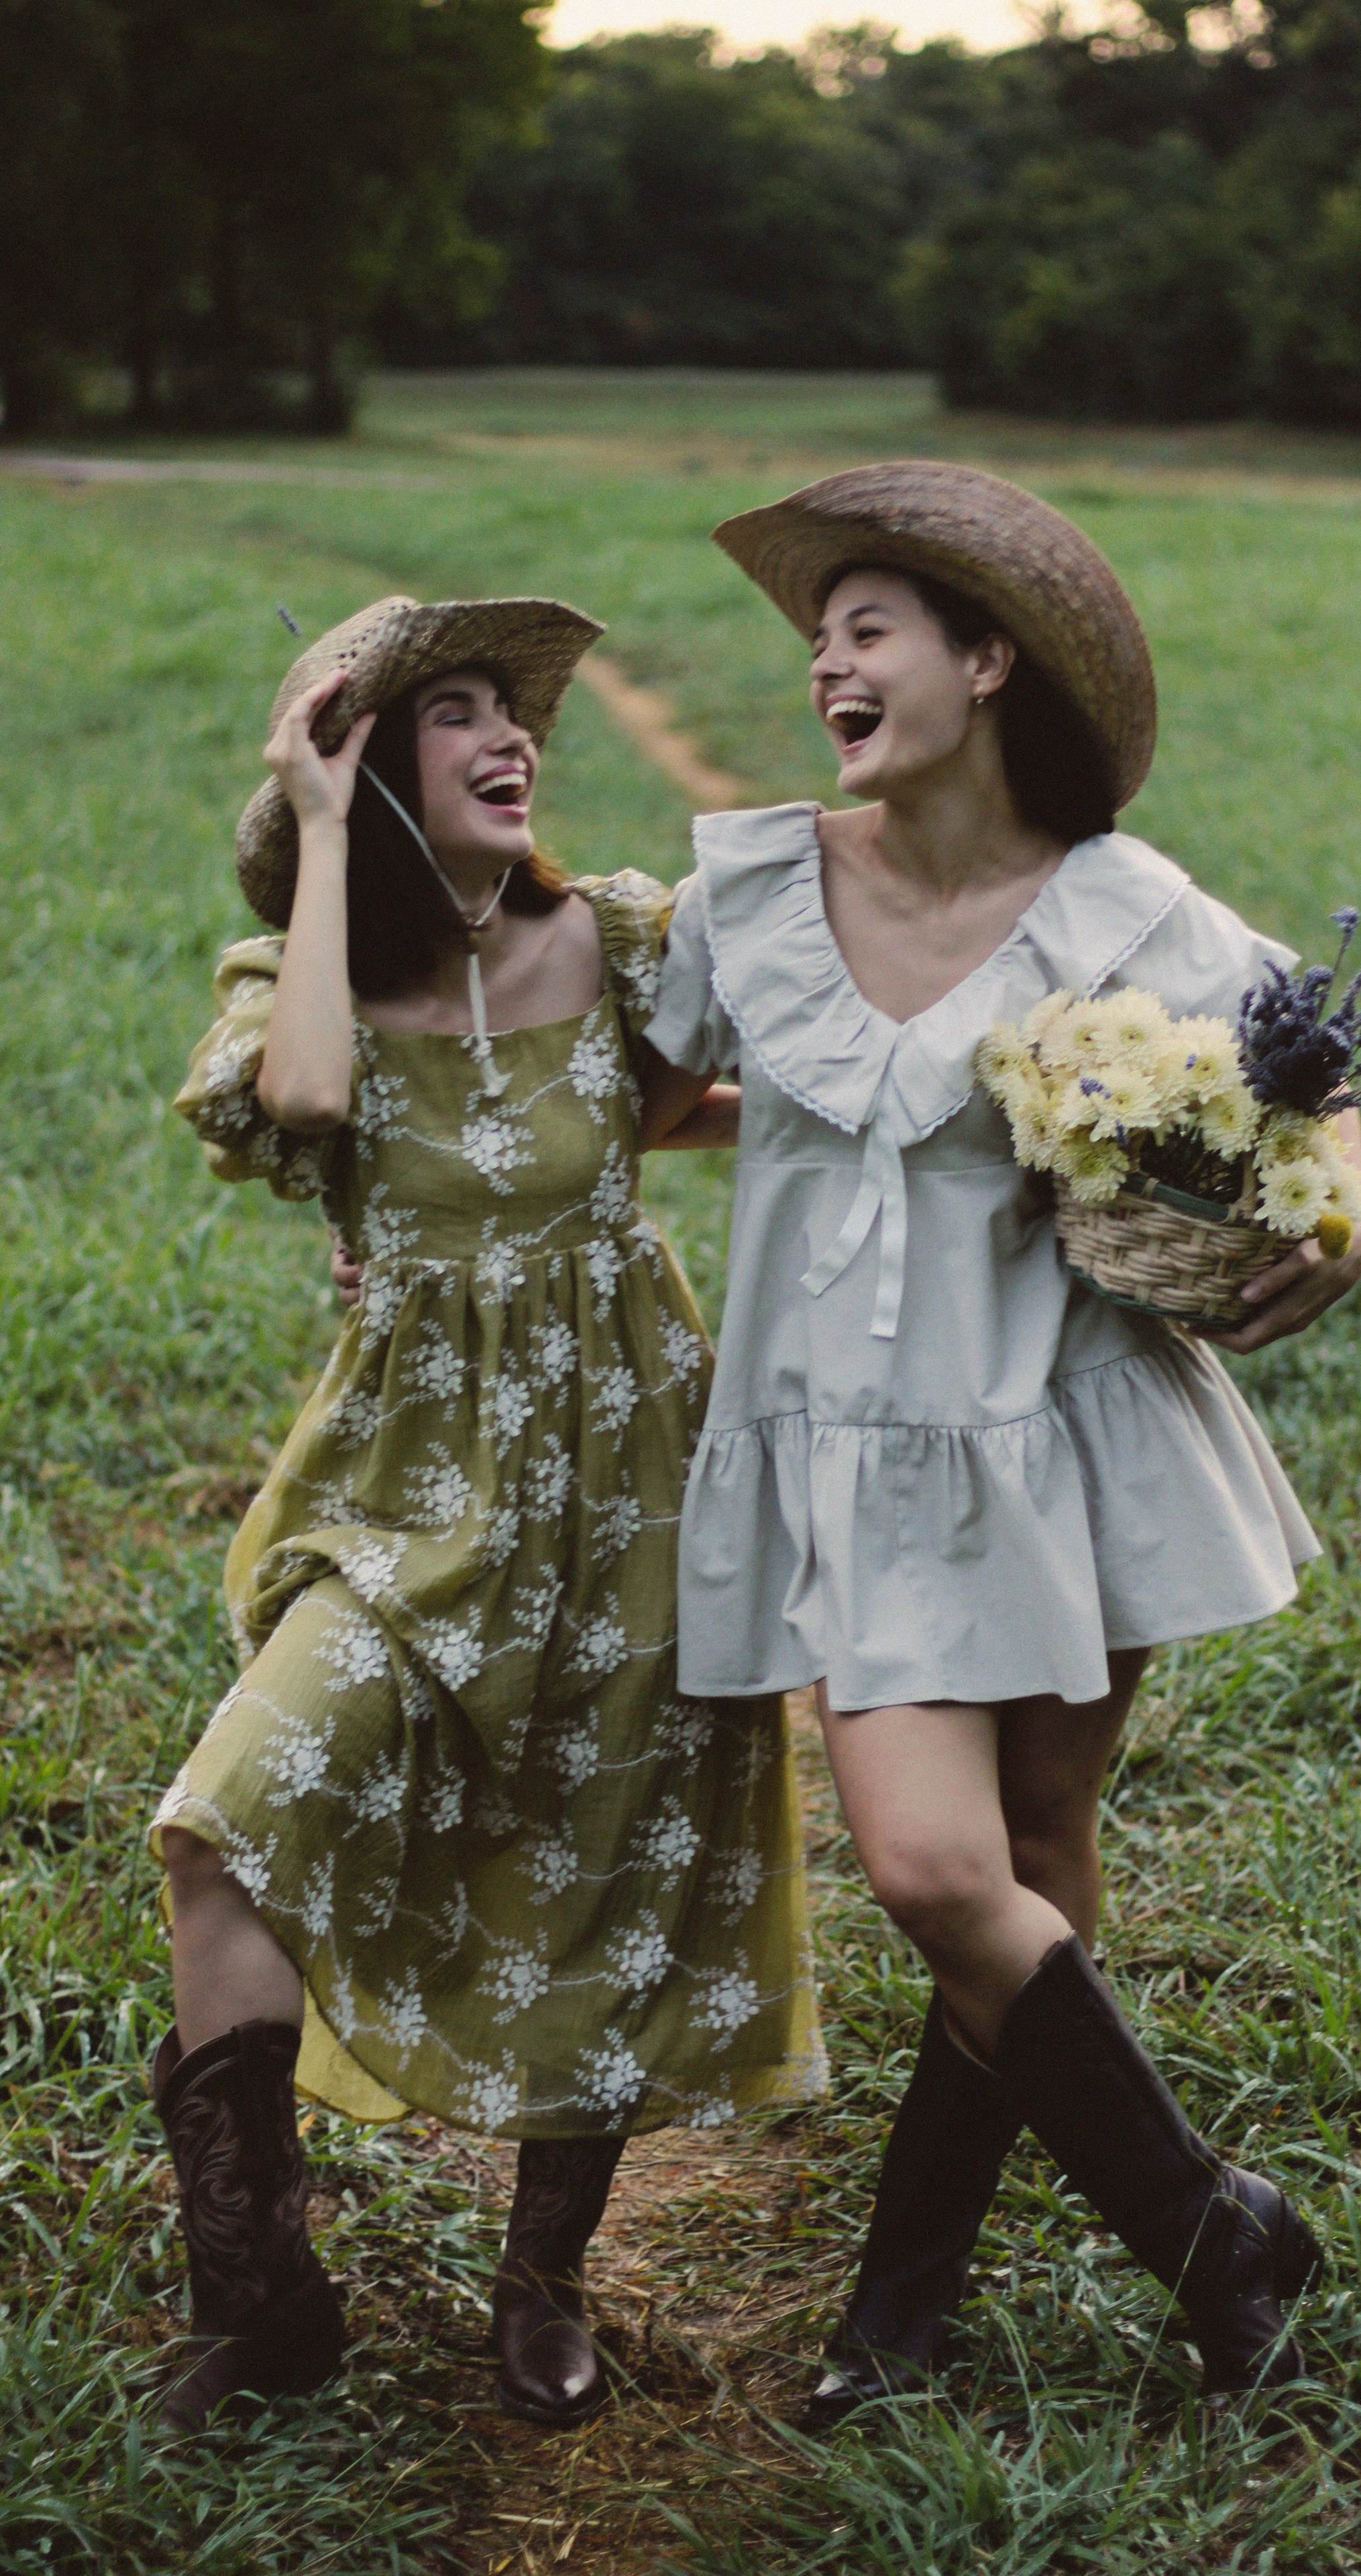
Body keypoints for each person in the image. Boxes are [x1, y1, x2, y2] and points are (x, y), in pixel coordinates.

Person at [639, 464, 1361, 2418]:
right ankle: (1216, 2225)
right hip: (855, 1448)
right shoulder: (750, 894)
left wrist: (1346, 1207)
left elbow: (1307, 1049)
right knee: (932, 1865)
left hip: (1069, 1424)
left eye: (869, 628)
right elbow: (632, 1094)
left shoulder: (1123, 908)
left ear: (985, 661)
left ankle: (899, 2314)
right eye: (821, 636)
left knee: (1039, 1850)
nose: (828, 662)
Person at [152, 594, 822, 2436]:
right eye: (451, 713)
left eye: (512, 710)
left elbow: (673, 1109)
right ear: (370, 771)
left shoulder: (613, 940)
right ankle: (264, 2299)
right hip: (411, 1485)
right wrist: (315, 824)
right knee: (223, 1825)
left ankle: (544, 2279)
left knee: (612, 1848)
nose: (511, 735)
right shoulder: (299, 981)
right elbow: (305, 1096)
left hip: (629, 1466)